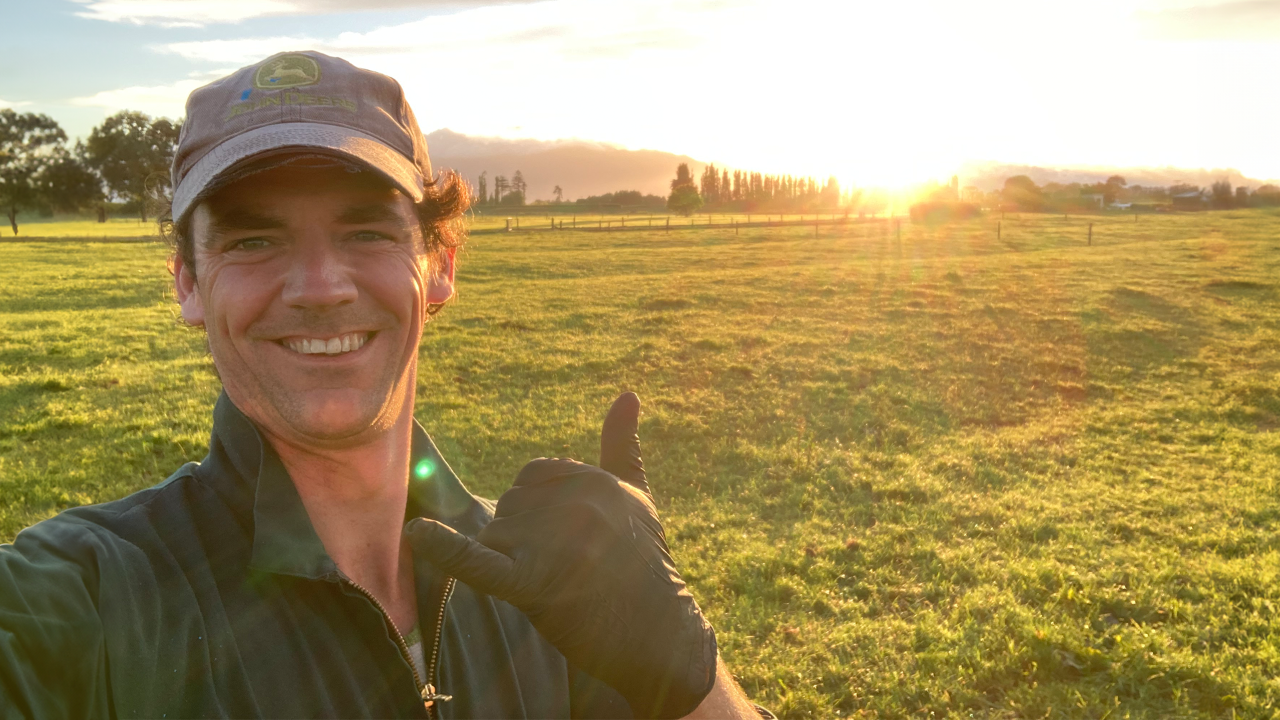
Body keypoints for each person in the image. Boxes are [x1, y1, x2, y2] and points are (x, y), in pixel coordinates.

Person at [0, 51, 773, 720]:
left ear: (440, 265)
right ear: (189, 284)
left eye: (367, 231)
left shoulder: (552, 588)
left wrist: (685, 675)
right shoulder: (85, 596)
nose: (320, 287)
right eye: (254, 239)